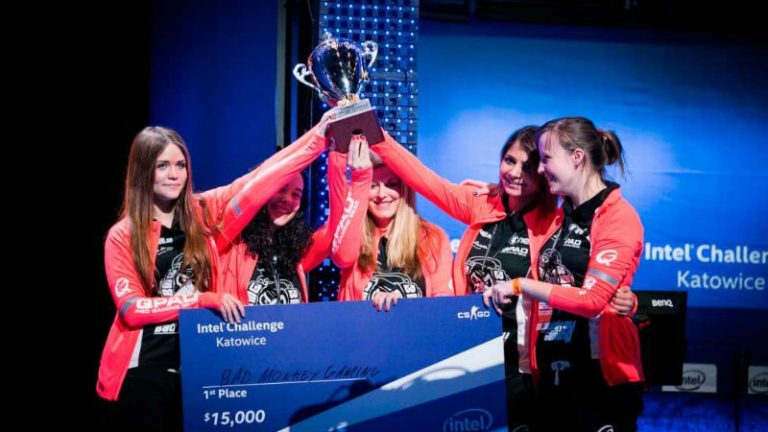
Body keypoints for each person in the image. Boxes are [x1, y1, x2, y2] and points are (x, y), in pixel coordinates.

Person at [369, 126, 636, 430]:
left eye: (528, 167)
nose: (515, 173)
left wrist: (625, 298)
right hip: (472, 353)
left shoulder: (555, 220)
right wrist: (374, 133)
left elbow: (582, 274)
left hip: (523, 362)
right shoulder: (481, 204)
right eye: (509, 161)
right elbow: (423, 178)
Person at [484, 116, 644, 432]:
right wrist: (493, 194)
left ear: (577, 158)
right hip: (553, 372)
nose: (540, 169)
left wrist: (519, 285)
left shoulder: (619, 217)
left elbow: (592, 300)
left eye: (546, 159)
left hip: (599, 378)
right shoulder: (560, 214)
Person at [97, 126, 249, 432]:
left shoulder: (201, 221)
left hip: (198, 368)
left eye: (180, 165)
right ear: (143, 172)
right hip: (144, 372)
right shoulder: (122, 235)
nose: (174, 175)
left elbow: (254, 183)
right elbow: (132, 309)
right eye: (162, 166)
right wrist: (201, 300)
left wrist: (322, 136)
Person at [214, 111, 345, 305]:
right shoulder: (230, 239)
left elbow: (337, 228)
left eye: (296, 194)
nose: (287, 200)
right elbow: (250, 194)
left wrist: (338, 157)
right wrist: (317, 140)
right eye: (280, 189)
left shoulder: (297, 250)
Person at [331, 135, 454, 311]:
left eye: (392, 184)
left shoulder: (433, 237)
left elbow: (443, 302)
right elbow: (338, 190)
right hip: (361, 327)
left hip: (417, 327)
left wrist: (404, 306)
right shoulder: (352, 236)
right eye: (373, 186)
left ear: (405, 189)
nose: (382, 194)